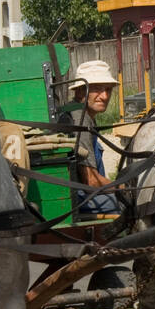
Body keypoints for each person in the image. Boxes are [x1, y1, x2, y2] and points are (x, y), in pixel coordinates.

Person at [60, 60, 120, 214]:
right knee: (129, 203)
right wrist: (125, 188)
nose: (105, 96)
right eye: (97, 90)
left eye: (108, 90)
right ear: (80, 91)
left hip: (80, 194)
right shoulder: (80, 119)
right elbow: (91, 181)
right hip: (75, 199)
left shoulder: (84, 114)